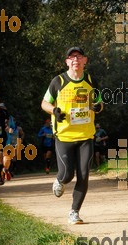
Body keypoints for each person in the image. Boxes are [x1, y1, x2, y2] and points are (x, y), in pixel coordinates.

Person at [41, 46, 103, 224]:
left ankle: (74, 212)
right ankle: (60, 180)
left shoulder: (91, 80)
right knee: (68, 174)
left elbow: (99, 103)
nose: (75, 59)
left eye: (79, 56)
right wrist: (54, 110)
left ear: (85, 60)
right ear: (67, 62)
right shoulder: (58, 81)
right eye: (72, 57)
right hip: (64, 136)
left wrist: (99, 107)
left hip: (86, 136)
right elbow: (44, 103)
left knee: (84, 174)